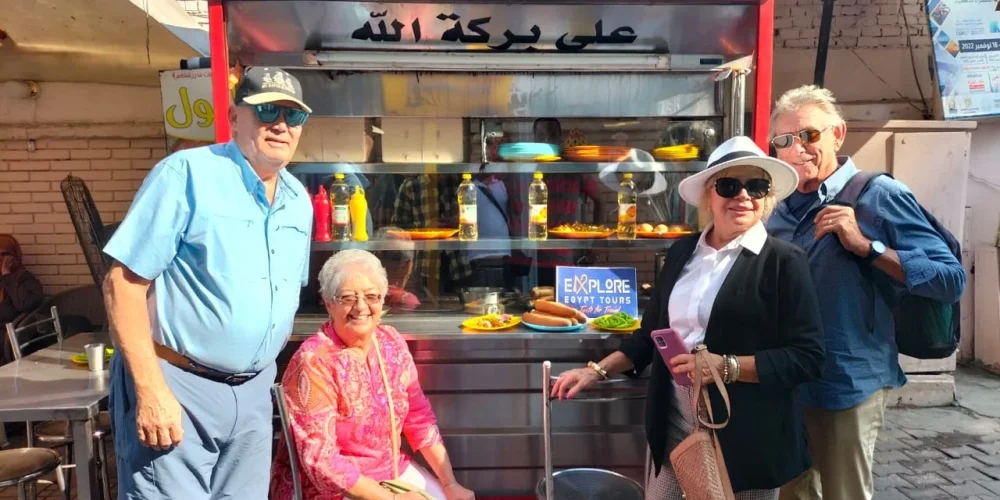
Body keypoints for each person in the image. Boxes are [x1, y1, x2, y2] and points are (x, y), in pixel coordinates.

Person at [552, 136, 825, 500]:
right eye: (729, 186)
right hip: (675, 420)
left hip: (747, 435)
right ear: (709, 195)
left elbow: (808, 358)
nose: (744, 196)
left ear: (767, 197)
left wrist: (724, 367)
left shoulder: (784, 262)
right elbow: (651, 334)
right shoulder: (682, 251)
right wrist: (597, 370)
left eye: (757, 186)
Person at [102, 67, 314, 499]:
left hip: (253, 393)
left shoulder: (298, 202)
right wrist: (150, 390)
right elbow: (121, 284)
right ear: (235, 117)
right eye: (267, 110)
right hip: (179, 387)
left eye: (293, 115)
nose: (280, 124)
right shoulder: (185, 175)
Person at [768, 86, 966, 500]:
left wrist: (867, 246)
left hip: (846, 383)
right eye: (784, 140)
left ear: (838, 135)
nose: (797, 149)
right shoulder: (778, 210)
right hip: (787, 384)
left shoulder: (879, 196)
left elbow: (950, 279)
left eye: (809, 135)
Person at [270, 250, 475, 500]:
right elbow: (321, 460)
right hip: (332, 488)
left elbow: (419, 419)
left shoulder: (391, 342)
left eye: (371, 296)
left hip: (392, 473)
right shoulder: (314, 360)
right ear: (328, 302)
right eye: (347, 297)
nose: (361, 307)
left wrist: (450, 484)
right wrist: (392, 499)